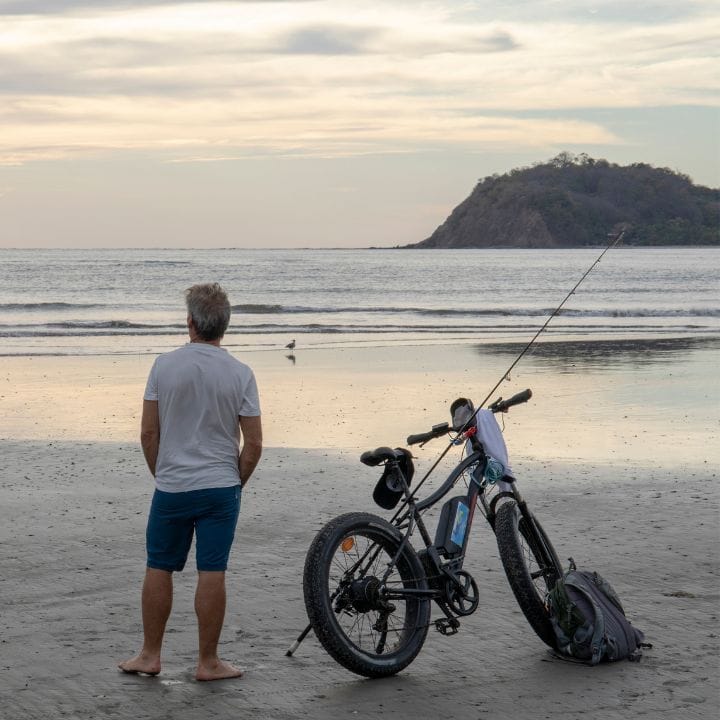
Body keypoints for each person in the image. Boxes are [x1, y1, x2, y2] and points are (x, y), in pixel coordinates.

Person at [119, 283, 263, 681]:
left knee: (159, 567)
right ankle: (208, 662)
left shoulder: (164, 366)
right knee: (212, 570)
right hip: (221, 486)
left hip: (172, 485)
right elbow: (253, 444)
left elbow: (149, 435)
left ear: (190, 323)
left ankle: (150, 655)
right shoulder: (241, 372)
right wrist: (235, 483)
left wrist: (163, 472)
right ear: (224, 326)